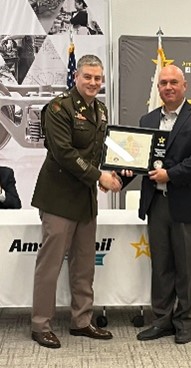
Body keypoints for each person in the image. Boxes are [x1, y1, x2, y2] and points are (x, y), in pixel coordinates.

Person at [31, 54, 122, 349]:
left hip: (85, 198)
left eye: (98, 78)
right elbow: (64, 153)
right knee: (51, 265)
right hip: (58, 198)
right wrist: (99, 177)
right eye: (88, 77)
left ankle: (81, 321)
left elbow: (99, 150)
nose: (93, 82)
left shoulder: (101, 110)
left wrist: (112, 173)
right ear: (76, 77)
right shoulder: (59, 108)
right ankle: (40, 324)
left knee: (84, 265)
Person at [122, 64, 191, 344]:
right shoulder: (147, 119)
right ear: (158, 87)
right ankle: (161, 320)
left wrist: (170, 174)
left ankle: (183, 320)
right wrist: (120, 173)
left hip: (186, 203)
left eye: (174, 82)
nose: (168, 87)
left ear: (185, 86)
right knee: (161, 265)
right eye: (163, 83)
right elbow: (138, 158)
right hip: (156, 203)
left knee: (186, 267)